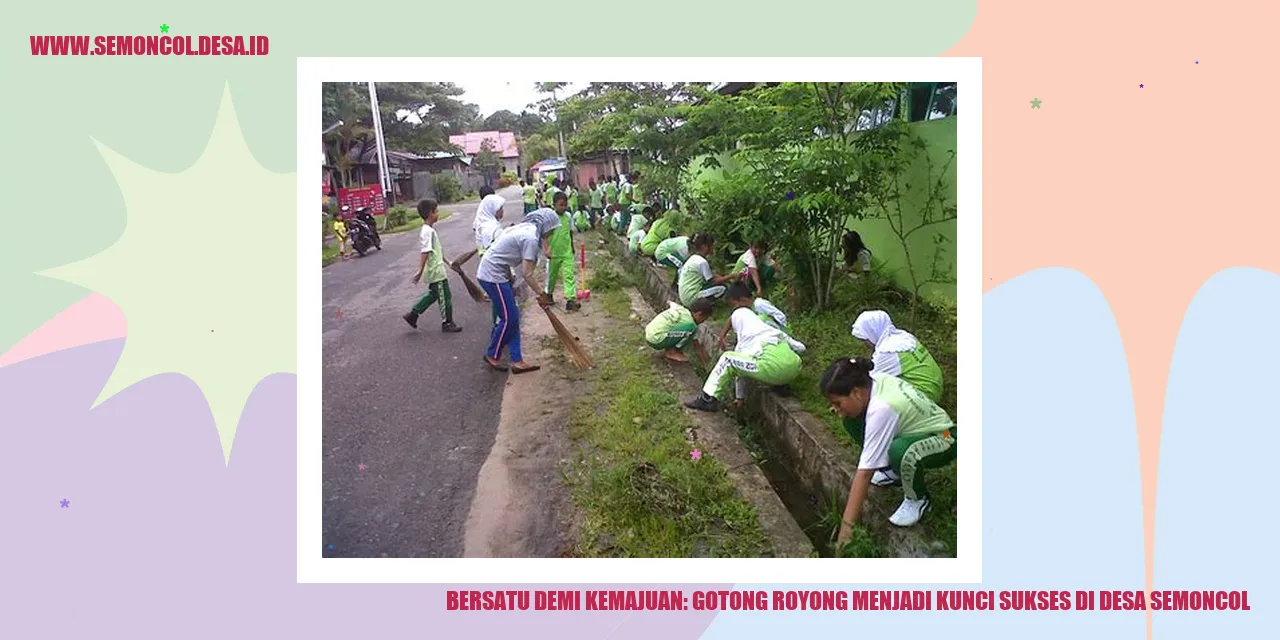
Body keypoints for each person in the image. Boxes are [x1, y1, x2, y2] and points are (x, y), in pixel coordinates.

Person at [820, 356, 955, 533]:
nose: (834, 409)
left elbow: (864, 475)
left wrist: (845, 533)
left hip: (945, 435)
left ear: (856, 393)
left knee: (900, 451)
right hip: (914, 433)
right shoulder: (874, 381)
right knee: (851, 420)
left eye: (837, 403)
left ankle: (918, 499)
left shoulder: (882, 408)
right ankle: (894, 471)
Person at [684, 283, 803, 412]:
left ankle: (706, 399)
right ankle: (781, 384)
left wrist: (739, 398)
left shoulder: (745, 341)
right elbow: (801, 348)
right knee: (773, 359)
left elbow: (738, 372)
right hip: (795, 367)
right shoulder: (773, 331)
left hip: (774, 370)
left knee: (728, 359)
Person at [476, 209, 559, 373]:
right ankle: (492, 354)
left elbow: (502, 255)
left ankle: (517, 360)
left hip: (499, 274)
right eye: (552, 229)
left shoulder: (524, 229)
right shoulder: (530, 238)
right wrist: (541, 294)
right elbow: (527, 273)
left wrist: (510, 283)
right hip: (492, 276)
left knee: (512, 318)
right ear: (546, 226)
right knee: (510, 318)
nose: (552, 232)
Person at [850, 310, 944, 404]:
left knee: (873, 393)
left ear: (872, 332)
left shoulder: (888, 351)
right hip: (933, 386)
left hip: (923, 395)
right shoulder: (903, 337)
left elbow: (868, 380)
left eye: (865, 339)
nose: (865, 343)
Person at [402, 199, 463, 333]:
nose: (438, 214)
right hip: (436, 271)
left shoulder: (429, 230)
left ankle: (413, 315)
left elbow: (437, 251)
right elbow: (425, 251)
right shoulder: (427, 231)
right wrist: (420, 270)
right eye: (436, 211)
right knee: (445, 297)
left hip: (437, 268)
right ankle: (447, 323)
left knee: (434, 294)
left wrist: (449, 262)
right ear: (430, 213)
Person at [645, 298, 714, 363]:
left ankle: (673, 350)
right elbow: (695, 344)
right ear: (699, 314)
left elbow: (670, 302)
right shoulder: (690, 324)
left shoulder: (680, 308)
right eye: (704, 318)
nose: (703, 321)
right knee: (691, 328)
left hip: (649, 333)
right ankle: (671, 352)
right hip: (657, 340)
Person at [545, 192, 581, 311]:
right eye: (560, 205)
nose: (563, 207)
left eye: (565, 205)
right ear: (554, 204)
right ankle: (549, 294)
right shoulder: (549, 218)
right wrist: (546, 249)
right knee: (552, 276)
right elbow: (544, 235)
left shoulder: (568, 216)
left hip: (566, 252)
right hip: (553, 253)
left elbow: (569, 232)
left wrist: (572, 247)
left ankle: (570, 300)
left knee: (569, 275)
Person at [677, 232, 735, 306]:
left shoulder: (693, 258)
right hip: (691, 298)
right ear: (705, 247)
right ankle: (705, 305)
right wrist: (731, 276)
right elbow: (713, 281)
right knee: (723, 288)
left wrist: (725, 278)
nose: (713, 248)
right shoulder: (702, 262)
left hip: (685, 296)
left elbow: (712, 275)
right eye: (712, 246)